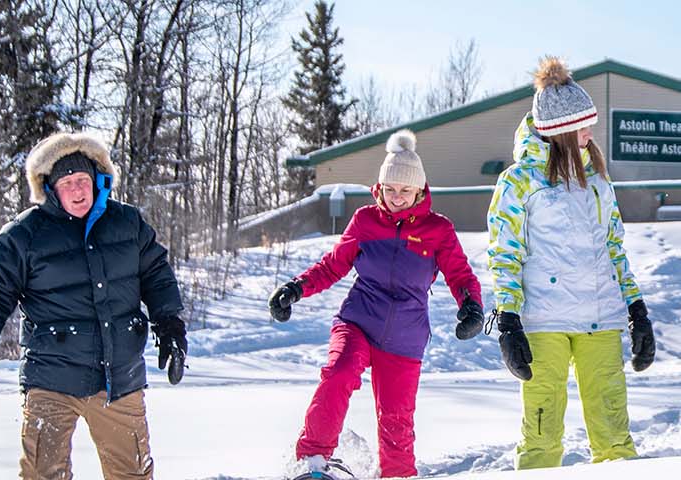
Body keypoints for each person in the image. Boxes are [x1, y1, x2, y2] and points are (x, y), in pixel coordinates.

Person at [0, 132, 186, 480]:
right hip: (50, 379)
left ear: (98, 180)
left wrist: (169, 325)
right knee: (42, 475)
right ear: (50, 189)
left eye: (83, 180)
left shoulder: (127, 223)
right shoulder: (23, 235)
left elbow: (156, 275)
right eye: (67, 183)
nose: (78, 191)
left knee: (132, 476)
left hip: (118, 380)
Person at [265, 130, 485, 478]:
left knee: (397, 421)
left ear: (419, 191)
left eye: (405, 191)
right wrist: (296, 288)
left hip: (404, 337)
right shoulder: (366, 221)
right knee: (338, 375)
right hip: (358, 322)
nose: (396, 198)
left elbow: (460, 276)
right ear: (380, 187)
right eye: (390, 190)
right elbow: (333, 264)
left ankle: (396, 476)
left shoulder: (438, 230)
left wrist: (471, 307)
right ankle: (312, 461)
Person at [484, 56, 658, 469]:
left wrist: (637, 311)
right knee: (542, 436)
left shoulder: (597, 179)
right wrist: (508, 320)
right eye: (583, 126)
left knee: (615, 436)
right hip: (544, 323)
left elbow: (614, 248)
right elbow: (504, 255)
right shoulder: (518, 182)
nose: (589, 133)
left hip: (601, 318)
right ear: (560, 131)